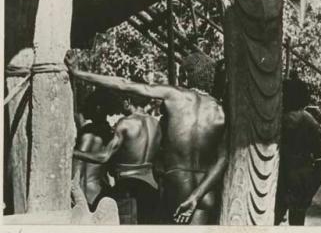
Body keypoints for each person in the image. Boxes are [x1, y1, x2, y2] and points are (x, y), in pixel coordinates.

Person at [66, 51, 227, 225]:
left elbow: (124, 84)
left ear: (187, 76)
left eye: (181, 75)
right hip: (206, 192)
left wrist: (78, 72)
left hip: (177, 186)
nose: (179, 81)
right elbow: (223, 159)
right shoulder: (221, 110)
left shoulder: (175, 95)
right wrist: (196, 196)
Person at [72, 79, 162, 224]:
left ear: (127, 101)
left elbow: (104, 157)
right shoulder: (156, 124)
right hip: (151, 188)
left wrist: (73, 152)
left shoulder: (125, 123)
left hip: (128, 189)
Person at [274, 77, 321, 226]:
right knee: (297, 222)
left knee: (274, 220)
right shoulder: (312, 123)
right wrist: (311, 188)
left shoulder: (276, 119)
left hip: (281, 178)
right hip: (301, 180)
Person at [73, 88, 114, 212]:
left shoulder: (85, 131)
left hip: (76, 190)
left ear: (97, 108)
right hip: (95, 192)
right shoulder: (110, 133)